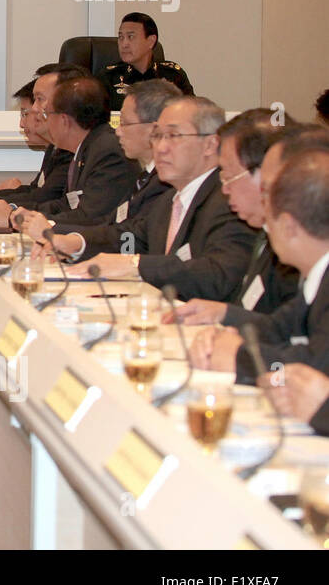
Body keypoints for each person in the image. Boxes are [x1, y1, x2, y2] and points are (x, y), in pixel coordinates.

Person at [39, 96, 256, 301]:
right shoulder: (169, 200)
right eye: (157, 136)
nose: (160, 148)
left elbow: (218, 274)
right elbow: (131, 236)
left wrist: (135, 264)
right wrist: (75, 242)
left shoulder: (229, 200)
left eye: (173, 136)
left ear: (210, 144)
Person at [188, 150, 329, 382]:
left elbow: (315, 367)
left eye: (269, 213)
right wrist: (222, 337)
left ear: (288, 227)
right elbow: (276, 328)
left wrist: (239, 356)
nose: (265, 226)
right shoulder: (316, 276)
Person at [175, 124, 329, 327]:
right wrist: (225, 315)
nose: (225, 189)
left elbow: (308, 349)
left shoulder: (303, 247)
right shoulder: (269, 237)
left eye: (230, 176)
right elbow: (286, 327)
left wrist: (237, 350)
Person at [26, 79, 179, 236]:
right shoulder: (146, 177)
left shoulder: (109, 151)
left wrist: (50, 228)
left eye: (124, 123)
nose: (118, 131)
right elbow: (113, 225)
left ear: (153, 129)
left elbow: (111, 226)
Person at [0, 64, 88, 222]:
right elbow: (53, 201)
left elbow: (52, 200)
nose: (35, 109)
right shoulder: (59, 147)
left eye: (39, 100)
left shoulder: (95, 150)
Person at [0, 76, 136, 225]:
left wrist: (15, 219)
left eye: (48, 115)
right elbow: (66, 205)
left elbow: (89, 218)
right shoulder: (87, 148)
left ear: (64, 121)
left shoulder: (107, 152)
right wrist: (15, 212)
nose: (44, 120)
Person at [94, 12, 193, 111]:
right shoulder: (108, 77)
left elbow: (191, 114)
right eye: (121, 37)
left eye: (131, 37)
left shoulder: (173, 75)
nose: (124, 44)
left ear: (151, 41)